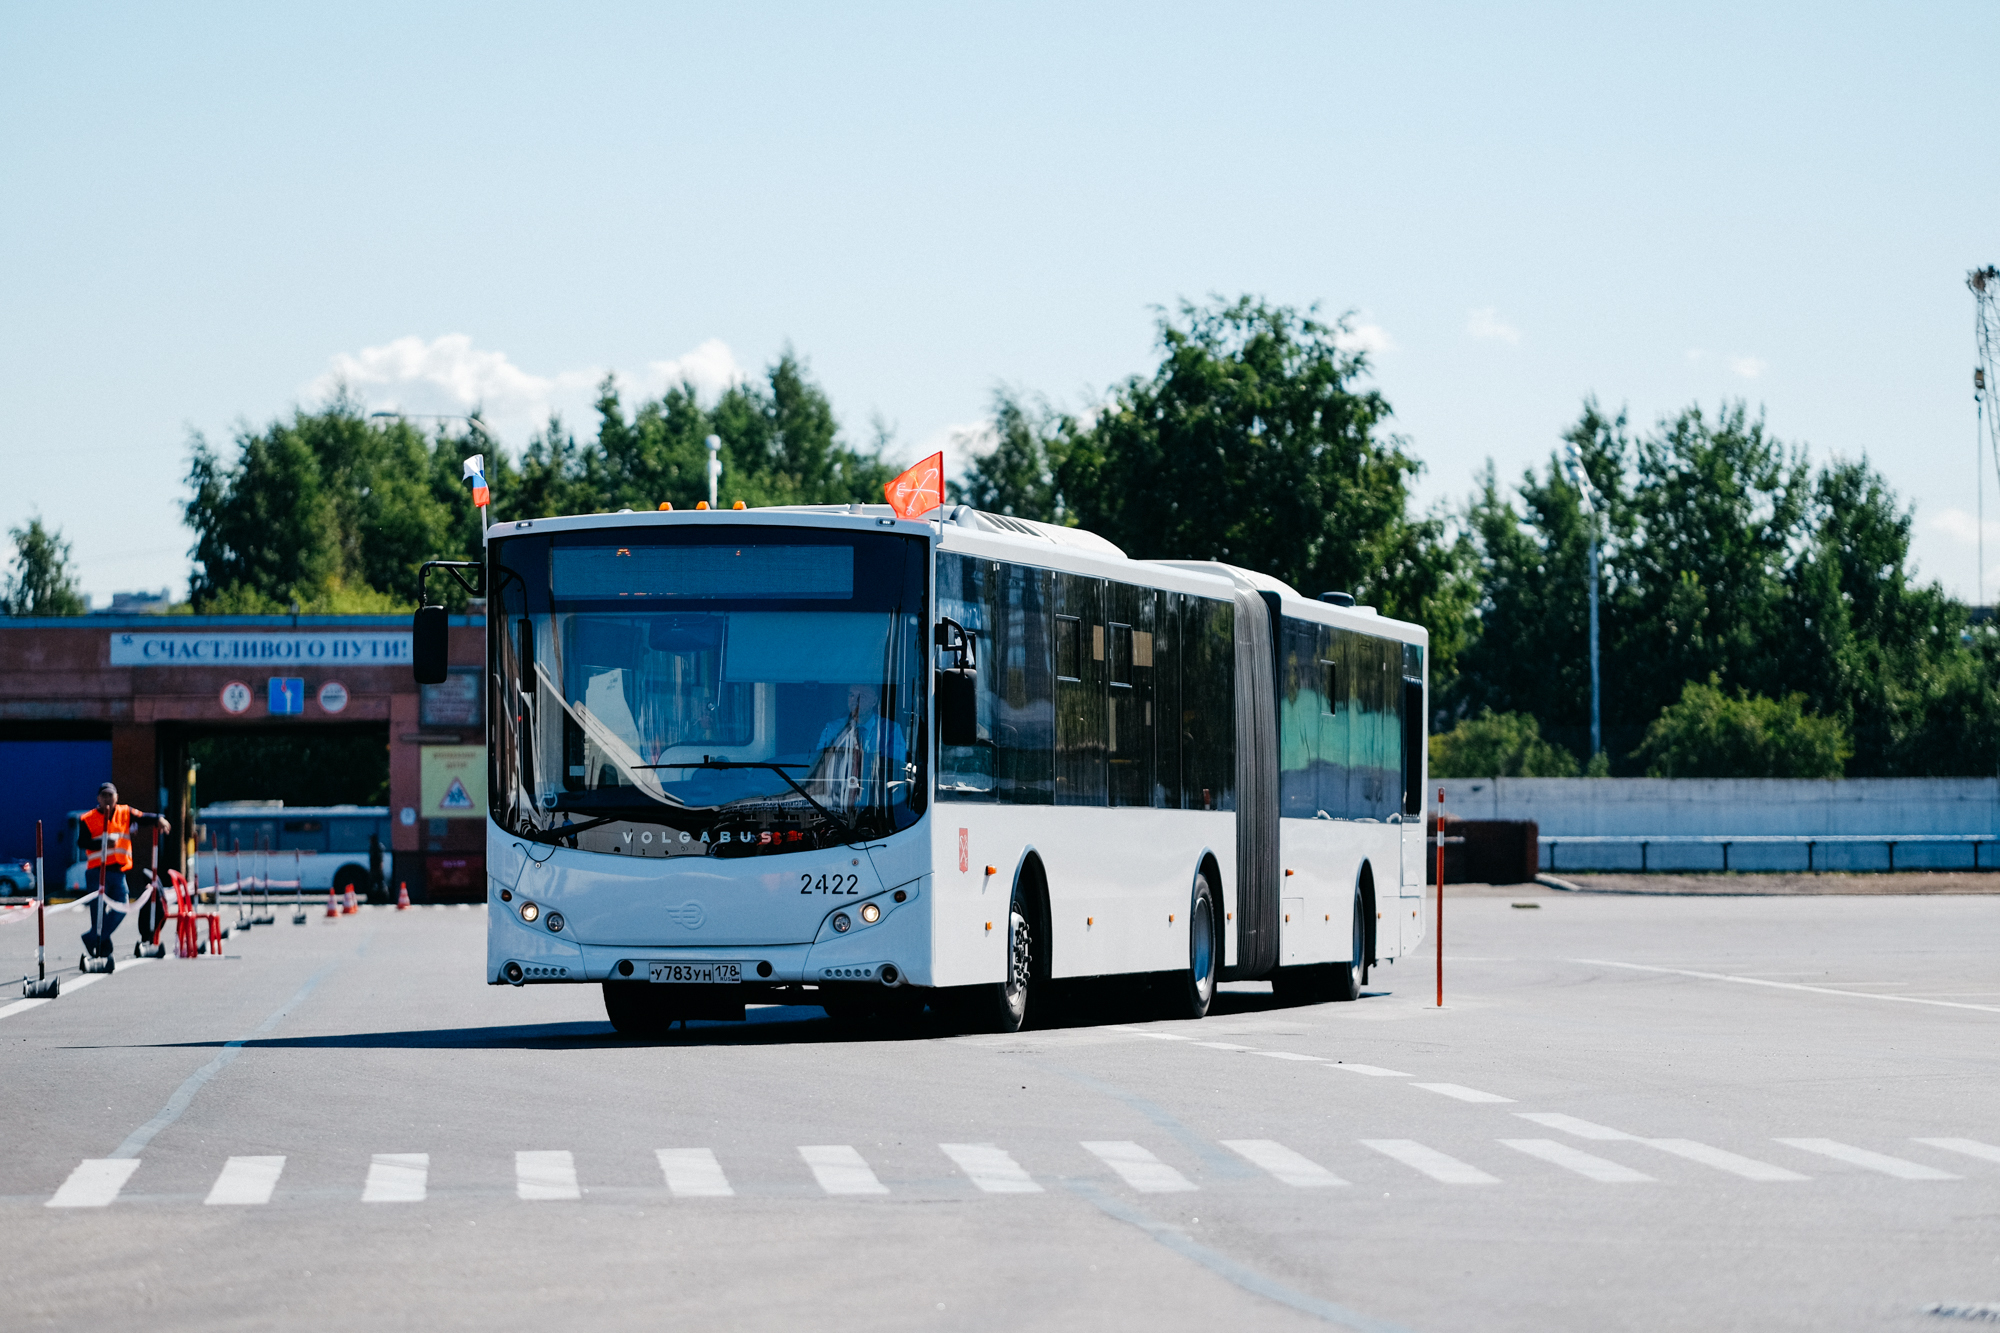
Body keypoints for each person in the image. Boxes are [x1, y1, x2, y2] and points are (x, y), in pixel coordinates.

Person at [78, 783, 170, 961]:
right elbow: (82, 843)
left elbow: (143, 818)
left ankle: (94, 938)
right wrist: (103, 843)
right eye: (104, 795)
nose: (107, 798)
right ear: (98, 798)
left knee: (122, 905)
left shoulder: (125, 812)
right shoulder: (87, 819)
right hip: (97, 871)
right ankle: (102, 946)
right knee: (98, 913)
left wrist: (159, 818)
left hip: (118, 871)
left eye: (110, 795)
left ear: (116, 797)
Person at [809, 684, 908, 813]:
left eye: (863, 696)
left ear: (874, 701)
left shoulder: (891, 729)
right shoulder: (833, 728)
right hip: (837, 801)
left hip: (878, 802)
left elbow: (896, 767)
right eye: (851, 695)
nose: (855, 700)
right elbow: (818, 764)